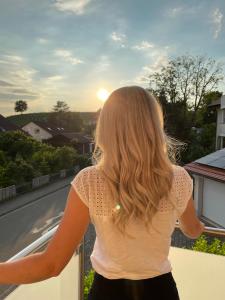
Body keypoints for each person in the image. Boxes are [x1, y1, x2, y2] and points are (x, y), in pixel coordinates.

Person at [0, 86, 204, 300]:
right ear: (155, 125)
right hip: (161, 292)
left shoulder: (90, 181)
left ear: (106, 128)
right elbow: (191, 230)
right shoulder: (179, 178)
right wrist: (198, 227)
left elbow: (52, 264)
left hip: (107, 293)